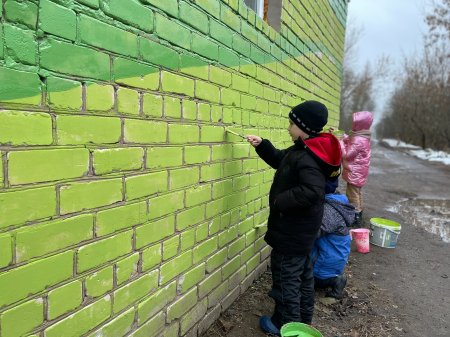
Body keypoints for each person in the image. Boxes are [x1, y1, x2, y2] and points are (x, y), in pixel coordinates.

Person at [246, 100, 342, 335]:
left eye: (291, 124)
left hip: (292, 233)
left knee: (285, 278)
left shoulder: (308, 157)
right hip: (300, 233)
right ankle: (303, 320)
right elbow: (282, 160)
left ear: (303, 127)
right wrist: (262, 145)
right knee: (303, 275)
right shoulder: (305, 150)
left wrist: (281, 200)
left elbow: (312, 191)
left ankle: (284, 325)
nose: (288, 128)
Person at [310, 179, 355, 299]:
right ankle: (333, 278)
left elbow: (310, 235)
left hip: (325, 262)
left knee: (302, 274)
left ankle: (333, 280)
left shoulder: (328, 211)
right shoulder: (337, 203)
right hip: (335, 258)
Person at [341, 111, 373, 227]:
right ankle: (359, 213)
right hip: (359, 172)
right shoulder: (362, 136)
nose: (352, 124)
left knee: (352, 194)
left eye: (355, 122)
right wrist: (343, 137)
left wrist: (340, 142)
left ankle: (355, 217)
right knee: (357, 193)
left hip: (355, 172)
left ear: (359, 124)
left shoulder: (359, 140)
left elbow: (347, 155)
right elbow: (351, 141)